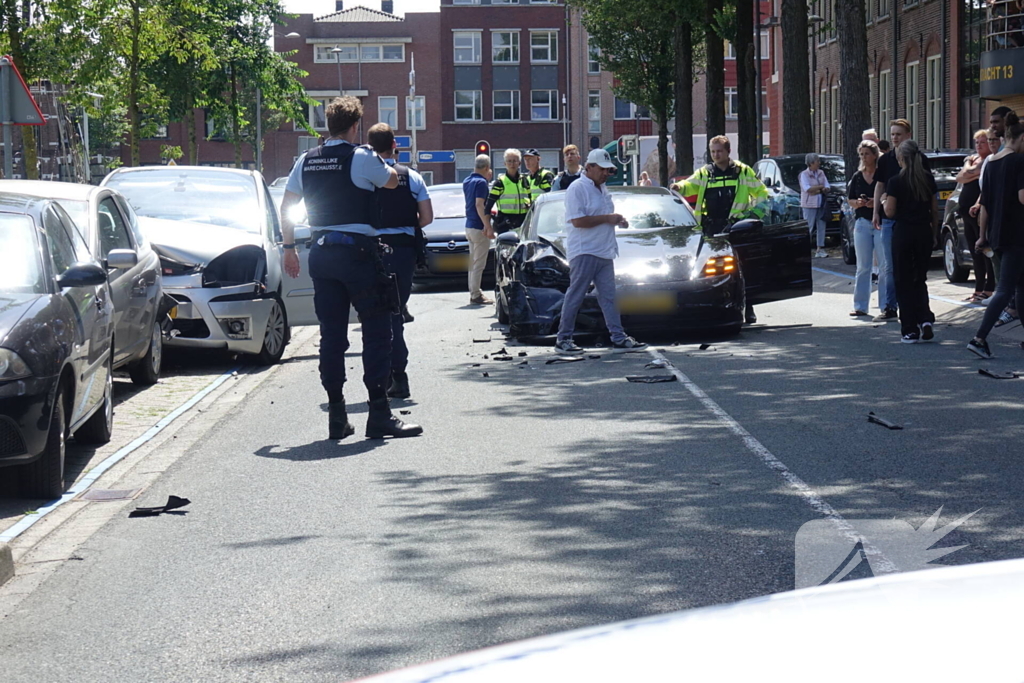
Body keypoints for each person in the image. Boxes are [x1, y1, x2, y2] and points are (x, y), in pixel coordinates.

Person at [280, 96, 421, 440]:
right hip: (358, 254)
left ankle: (337, 416)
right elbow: (390, 181)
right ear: (356, 126)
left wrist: (288, 248)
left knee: (331, 337)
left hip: (321, 254)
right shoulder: (361, 157)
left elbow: (287, 205)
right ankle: (379, 414)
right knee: (377, 332)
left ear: (328, 126)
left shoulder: (306, 160)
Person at [555, 148, 647, 354]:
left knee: (609, 297)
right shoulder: (577, 188)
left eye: (609, 170)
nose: (606, 173)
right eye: (603, 169)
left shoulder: (602, 188)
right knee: (576, 295)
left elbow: (602, 216)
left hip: (604, 250)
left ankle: (618, 337)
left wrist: (618, 221)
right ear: (589, 167)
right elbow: (577, 221)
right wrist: (608, 218)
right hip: (585, 251)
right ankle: (563, 339)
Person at [367, 123, 432, 400]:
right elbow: (427, 218)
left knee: (378, 316)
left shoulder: (365, 178)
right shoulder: (412, 177)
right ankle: (397, 375)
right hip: (404, 252)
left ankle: (391, 376)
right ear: (395, 146)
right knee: (396, 312)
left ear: (370, 148)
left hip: (373, 251)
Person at [674, 135, 768, 323]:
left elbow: (761, 193)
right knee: (709, 270)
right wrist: (678, 186)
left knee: (742, 269)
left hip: (736, 228)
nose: (716, 155)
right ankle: (712, 306)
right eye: (713, 151)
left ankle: (748, 307)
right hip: (710, 229)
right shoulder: (705, 173)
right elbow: (689, 185)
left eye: (719, 151)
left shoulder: (742, 171)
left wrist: (753, 215)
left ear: (728, 151)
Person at [968, 114, 1024, 359]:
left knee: (1021, 287)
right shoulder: (1020, 161)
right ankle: (979, 338)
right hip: (1018, 233)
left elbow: (986, 205)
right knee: (1005, 289)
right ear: (1021, 138)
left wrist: (983, 236)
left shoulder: (990, 163)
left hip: (998, 233)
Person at [883, 139, 938, 343]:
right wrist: (934, 234)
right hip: (923, 231)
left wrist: (882, 201)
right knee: (919, 278)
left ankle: (910, 328)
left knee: (903, 280)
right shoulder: (927, 179)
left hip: (904, 233)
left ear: (900, 158)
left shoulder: (896, 181)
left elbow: (890, 211)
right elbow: (934, 209)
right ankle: (925, 317)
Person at [871, 118, 915, 323]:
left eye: (899, 134)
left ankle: (916, 305)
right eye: (893, 134)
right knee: (888, 265)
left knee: (911, 264)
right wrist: (876, 212)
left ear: (908, 136)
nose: (895, 137)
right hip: (889, 218)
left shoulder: (918, 158)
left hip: (911, 218)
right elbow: (880, 185)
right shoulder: (885, 160)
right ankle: (890, 306)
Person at [849, 140, 888, 317]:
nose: (864, 158)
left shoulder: (882, 175)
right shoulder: (857, 176)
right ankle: (860, 306)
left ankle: (886, 305)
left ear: (875, 155)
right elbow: (849, 199)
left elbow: (887, 195)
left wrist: (876, 202)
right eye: (861, 154)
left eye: (867, 154)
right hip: (862, 223)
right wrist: (857, 203)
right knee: (863, 266)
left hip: (879, 223)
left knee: (884, 265)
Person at [956, 129, 995, 302]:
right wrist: (969, 171)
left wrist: (969, 171)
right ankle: (979, 287)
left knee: (984, 250)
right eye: (977, 142)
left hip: (980, 212)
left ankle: (989, 287)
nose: (979, 145)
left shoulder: (989, 160)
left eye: (983, 142)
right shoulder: (974, 159)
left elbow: (970, 174)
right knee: (974, 252)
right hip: (966, 211)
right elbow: (960, 178)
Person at [464, 154, 495, 306]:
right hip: (478, 226)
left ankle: (473, 291)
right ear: (487, 167)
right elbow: (479, 205)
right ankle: (476, 294)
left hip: (468, 226)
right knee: (479, 264)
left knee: (472, 262)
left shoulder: (467, 181)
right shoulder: (481, 183)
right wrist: (488, 226)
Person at [486, 148, 531, 235]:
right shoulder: (500, 182)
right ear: (505, 163)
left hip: (523, 224)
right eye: (509, 161)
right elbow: (488, 207)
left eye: (515, 161)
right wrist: (488, 227)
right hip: (505, 225)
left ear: (519, 163)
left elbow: (530, 200)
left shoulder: (525, 180)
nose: (512, 164)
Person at [799, 153, 831, 258]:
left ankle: (820, 249)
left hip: (820, 203)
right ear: (811, 163)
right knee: (809, 227)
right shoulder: (804, 174)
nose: (819, 163)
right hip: (809, 204)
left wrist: (818, 189)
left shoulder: (821, 173)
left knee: (821, 226)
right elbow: (807, 189)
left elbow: (827, 187)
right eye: (817, 161)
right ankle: (805, 249)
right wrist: (821, 188)